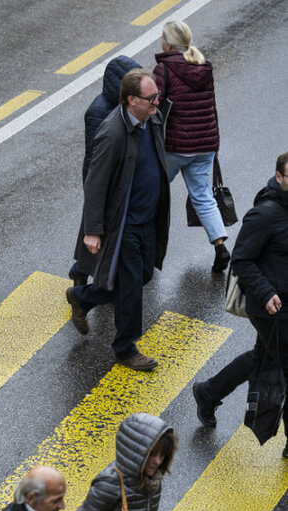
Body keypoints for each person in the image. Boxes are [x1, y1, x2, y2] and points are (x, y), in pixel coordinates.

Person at [67, 69, 171, 372]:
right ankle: (126, 348)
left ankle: (83, 297)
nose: (157, 102)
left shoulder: (152, 118)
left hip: (148, 218)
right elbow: (95, 183)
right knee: (131, 288)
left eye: (157, 96)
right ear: (130, 100)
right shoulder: (112, 132)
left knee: (143, 276)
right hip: (125, 224)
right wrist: (93, 230)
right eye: (151, 98)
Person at [193, 152, 288, 459]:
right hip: (271, 306)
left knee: (263, 357)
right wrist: (266, 293)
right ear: (279, 178)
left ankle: (208, 392)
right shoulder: (265, 215)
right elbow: (242, 260)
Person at [154, 20, 229, 272]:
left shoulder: (164, 69)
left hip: (175, 147)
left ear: (168, 43)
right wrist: (215, 143)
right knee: (203, 197)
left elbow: (155, 107)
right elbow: (212, 106)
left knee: (153, 191)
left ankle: (145, 247)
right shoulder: (203, 66)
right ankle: (220, 247)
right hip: (205, 145)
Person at [71, 55, 142, 287]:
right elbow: (94, 158)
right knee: (95, 231)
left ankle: (87, 274)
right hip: (102, 181)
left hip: (119, 178)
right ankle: (80, 275)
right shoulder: (99, 111)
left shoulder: (124, 107)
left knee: (106, 232)